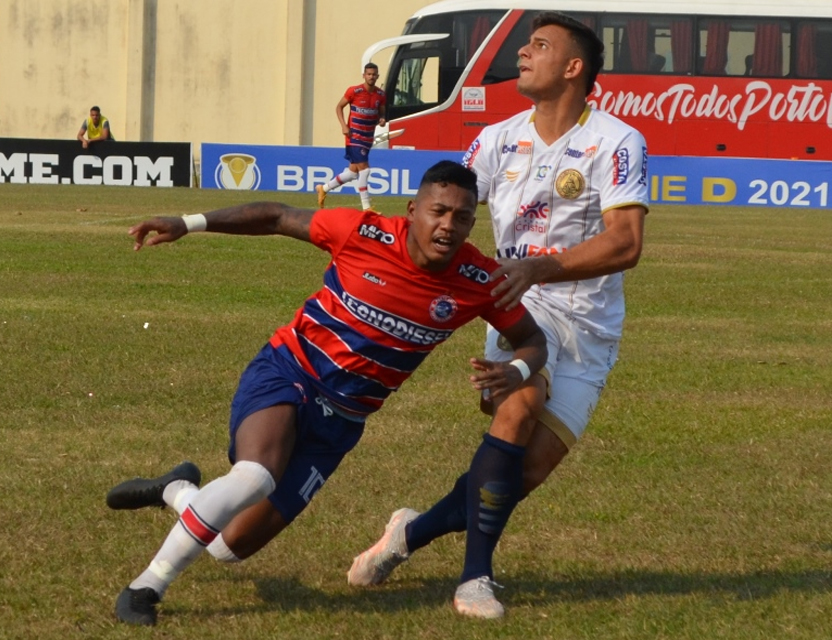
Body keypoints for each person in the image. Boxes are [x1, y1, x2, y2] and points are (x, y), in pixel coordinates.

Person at [107, 161, 548, 626]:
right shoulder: (363, 232)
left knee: (225, 547)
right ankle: (145, 588)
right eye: (438, 211)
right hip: (289, 372)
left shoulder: (479, 281)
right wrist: (188, 223)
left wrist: (516, 370)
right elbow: (276, 216)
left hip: (341, 422)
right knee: (255, 476)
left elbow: (533, 341)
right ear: (413, 209)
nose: (448, 226)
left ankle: (176, 489)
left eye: (461, 217)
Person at [347, 11, 649, 619]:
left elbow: (626, 244)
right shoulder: (495, 139)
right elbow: (445, 210)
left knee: (519, 477)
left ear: (573, 68)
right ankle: (475, 579)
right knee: (519, 402)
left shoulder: (618, 142)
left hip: (589, 324)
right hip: (517, 305)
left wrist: (542, 266)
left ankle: (410, 531)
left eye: (539, 45)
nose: (522, 54)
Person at [316, 63, 386, 211]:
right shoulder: (354, 91)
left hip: (368, 137)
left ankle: (324, 188)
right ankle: (366, 207)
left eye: (374, 74)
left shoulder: (380, 95)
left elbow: (382, 112)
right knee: (365, 170)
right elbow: (339, 107)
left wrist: (382, 119)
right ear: (364, 75)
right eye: (369, 74)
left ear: (377, 76)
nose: (371, 77)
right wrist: (343, 125)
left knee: (352, 173)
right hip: (354, 136)